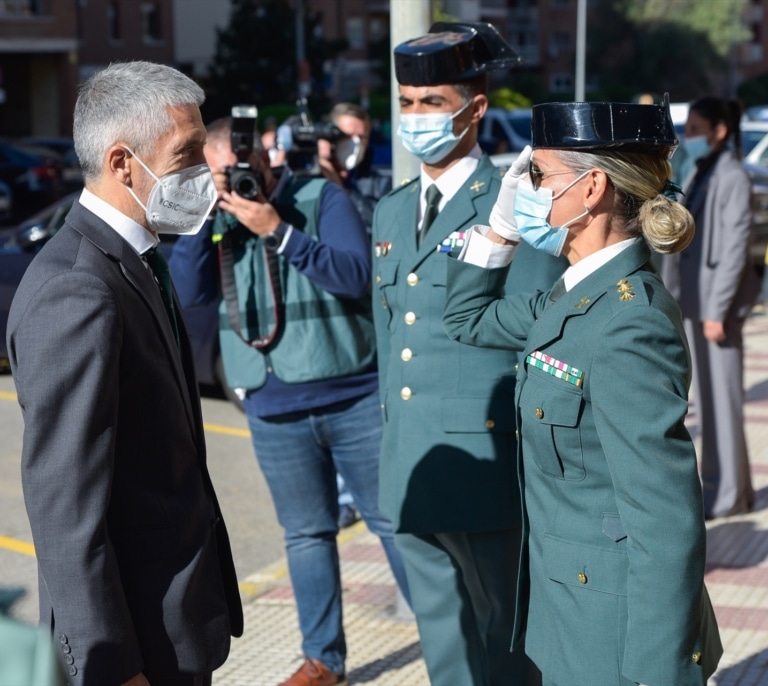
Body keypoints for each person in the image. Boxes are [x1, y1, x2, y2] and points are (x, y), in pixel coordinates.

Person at [442, 96, 723, 685]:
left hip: (616, 637)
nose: (527, 189)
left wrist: (657, 672)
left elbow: (664, 518)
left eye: (539, 176)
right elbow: (467, 319)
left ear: (591, 188)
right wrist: (498, 229)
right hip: (567, 610)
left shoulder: (629, 321)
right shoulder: (569, 298)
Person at [6, 61, 243, 686]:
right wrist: (112, 665)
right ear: (122, 163)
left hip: (174, 622)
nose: (203, 170)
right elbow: (65, 509)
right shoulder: (78, 290)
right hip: (134, 645)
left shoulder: (136, 257)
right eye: (186, 152)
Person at [168, 117, 410, 686]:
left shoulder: (320, 197)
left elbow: (356, 276)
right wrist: (207, 219)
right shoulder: (215, 215)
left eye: (242, 168)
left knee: (394, 525)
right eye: (219, 172)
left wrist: (279, 230)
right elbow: (188, 293)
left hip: (351, 393)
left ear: (267, 159)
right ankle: (324, 660)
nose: (237, 180)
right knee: (305, 534)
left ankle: (449, 635)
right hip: (273, 405)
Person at [371, 22, 566, 686]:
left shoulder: (516, 206)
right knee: (444, 645)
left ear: (474, 108)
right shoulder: (392, 212)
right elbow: (388, 342)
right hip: (414, 464)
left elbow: (538, 336)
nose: (415, 116)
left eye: (431, 102)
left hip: (488, 465)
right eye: (405, 102)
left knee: (507, 643)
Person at [661, 96, 760, 520]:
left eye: (697, 129)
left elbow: (736, 247)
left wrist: (717, 311)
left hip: (713, 310)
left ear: (720, 131)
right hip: (695, 303)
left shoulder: (732, 175)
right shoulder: (702, 170)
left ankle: (728, 496)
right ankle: (729, 489)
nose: (690, 138)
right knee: (712, 403)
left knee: (723, 404)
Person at [318, 102, 392, 232]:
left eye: (361, 137)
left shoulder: (381, 183)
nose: (355, 142)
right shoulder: (314, 172)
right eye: (347, 136)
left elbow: (380, 224)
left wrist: (341, 190)